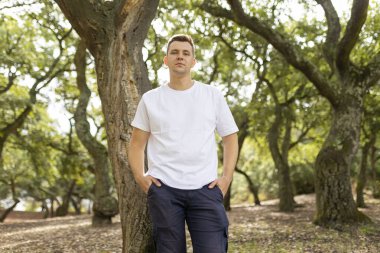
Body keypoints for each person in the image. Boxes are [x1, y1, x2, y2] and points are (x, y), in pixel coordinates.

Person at [128, 34, 239, 253]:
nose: (180, 57)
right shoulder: (150, 99)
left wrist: (226, 178)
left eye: (186, 53)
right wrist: (140, 177)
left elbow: (230, 137)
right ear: (165, 60)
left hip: (206, 189)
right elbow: (136, 143)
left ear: (193, 61)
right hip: (164, 191)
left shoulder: (212, 95)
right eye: (175, 52)